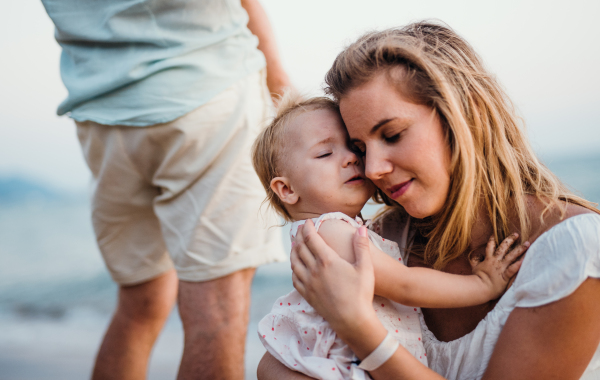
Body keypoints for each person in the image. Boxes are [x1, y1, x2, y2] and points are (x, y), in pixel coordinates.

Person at [258, 22, 600, 380]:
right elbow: (280, 358)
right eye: (360, 148)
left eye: (392, 134)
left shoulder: (572, 250)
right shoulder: (388, 236)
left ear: (468, 113)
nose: (372, 169)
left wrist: (359, 329)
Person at [40, 0, 290, 379]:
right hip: (206, 93)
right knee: (216, 309)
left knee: (139, 304)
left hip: (102, 115)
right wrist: (283, 89)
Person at [251, 94, 527, 379]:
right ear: (286, 190)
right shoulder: (330, 231)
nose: (351, 159)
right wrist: (483, 286)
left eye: (354, 148)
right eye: (324, 153)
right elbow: (405, 286)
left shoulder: (340, 230)